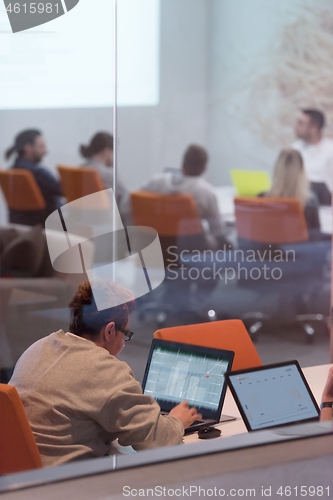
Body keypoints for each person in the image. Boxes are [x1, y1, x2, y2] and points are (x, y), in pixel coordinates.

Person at [9, 279, 201, 466]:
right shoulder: (107, 371)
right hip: (63, 482)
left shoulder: (38, 347)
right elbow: (155, 441)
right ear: (109, 331)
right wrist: (177, 420)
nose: (125, 341)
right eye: (126, 333)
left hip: (17, 472)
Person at [135, 144, 226, 248]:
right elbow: (217, 230)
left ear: (182, 165)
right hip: (189, 250)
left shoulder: (155, 182)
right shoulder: (206, 192)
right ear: (204, 168)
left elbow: (127, 203)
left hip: (153, 246)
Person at [5, 129, 63, 226]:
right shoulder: (37, 173)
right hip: (45, 226)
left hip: (19, 225)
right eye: (41, 147)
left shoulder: (11, 171)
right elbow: (65, 191)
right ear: (28, 148)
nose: (45, 152)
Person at [260, 149, 321, 239]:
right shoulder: (309, 201)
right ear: (301, 170)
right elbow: (316, 236)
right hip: (297, 251)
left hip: (265, 251)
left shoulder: (261, 198)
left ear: (277, 169)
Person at [292, 109, 333, 206]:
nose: (295, 126)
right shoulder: (294, 149)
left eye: (300, 123)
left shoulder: (330, 150)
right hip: (298, 204)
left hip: (325, 207)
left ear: (314, 128)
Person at [80, 132, 127, 205]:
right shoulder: (107, 174)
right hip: (104, 215)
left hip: (79, 214)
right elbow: (127, 198)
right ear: (107, 151)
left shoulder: (79, 169)